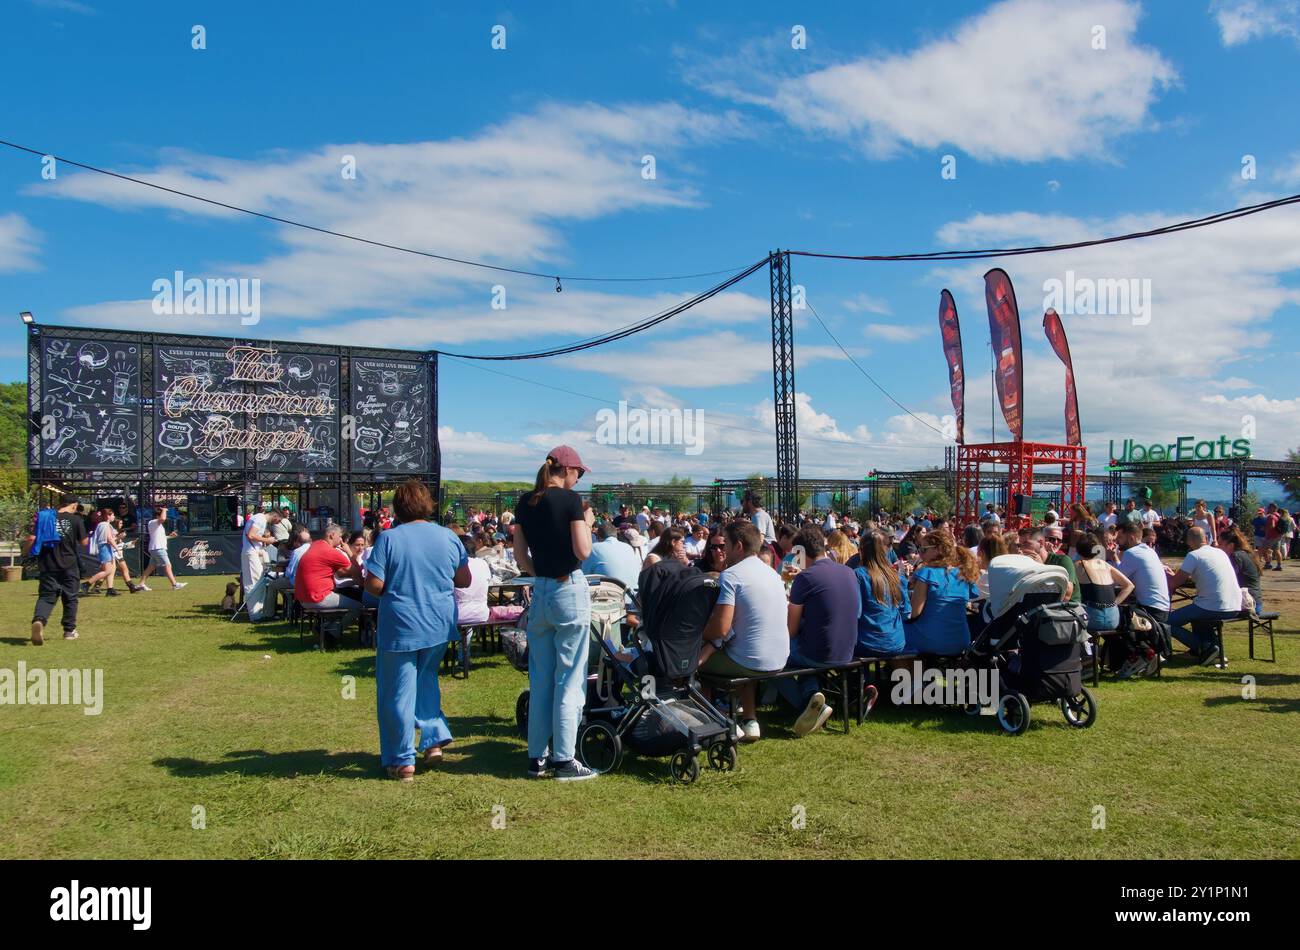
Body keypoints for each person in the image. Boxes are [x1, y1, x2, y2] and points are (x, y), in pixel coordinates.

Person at [364, 480, 470, 782]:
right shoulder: (449, 537)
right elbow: (463, 579)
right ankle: (433, 740)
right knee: (426, 682)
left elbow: (374, 585)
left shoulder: (389, 539)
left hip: (401, 623)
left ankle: (401, 760)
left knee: (396, 692)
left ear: (398, 507)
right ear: (428, 504)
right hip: (438, 622)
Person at [514, 446, 598, 781]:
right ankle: (565, 759)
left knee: (541, 677)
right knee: (569, 677)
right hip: (568, 589)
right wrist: (587, 523)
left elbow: (521, 555)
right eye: (579, 472)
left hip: (542, 590)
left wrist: (541, 574)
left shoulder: (526, 501)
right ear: (567, 469)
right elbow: (583, 550)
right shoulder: (571, 501)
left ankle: (537, 758)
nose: (579, 478)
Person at [699, 520, 790, 742]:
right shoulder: (773, 574)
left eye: (726, 545)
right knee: (743, 652)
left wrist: (698, 634)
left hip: (751, 660)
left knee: (696, 666)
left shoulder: (731, 576)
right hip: (779, 658)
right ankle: (750, 721)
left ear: (738, 546)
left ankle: (717, 723)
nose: (724, 551)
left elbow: (720, 628)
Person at [777, 527, 858, 736]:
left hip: (819, 653)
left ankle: (807, 706)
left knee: (770, 660)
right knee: (805, 651)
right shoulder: (848, 572)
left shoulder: (805, 579)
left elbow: (791, 630)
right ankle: (813, 694)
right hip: (848, 651)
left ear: (801, 553)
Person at [1166, 526, 1242, 665]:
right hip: (1235, 604)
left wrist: (1166, 574)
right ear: (1205, 539)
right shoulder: (1220, 553)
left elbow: (1174, 583)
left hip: (1212, 606)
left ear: (1189, 541)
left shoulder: (1193, 555)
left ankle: (1204, 647)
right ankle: (1208, 648)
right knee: (1198, 612)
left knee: (1166, 622)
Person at [905, 530, 980, 655]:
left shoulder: (927, 573)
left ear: (938, 550)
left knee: (896, 636)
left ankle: (912, 673)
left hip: (933, 640)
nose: (920, 554)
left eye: (924, 550)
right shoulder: (964, 574)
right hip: (961, 640)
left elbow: (913, 614)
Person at [27, 494, 87, 643]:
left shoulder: (45, 517)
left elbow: (32, 538)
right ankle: (69, 631)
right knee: (70, 597)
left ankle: (39, 620)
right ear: (73, 505)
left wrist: (26, 552)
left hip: (48, 564)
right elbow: (84, 542)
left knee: (47, 597)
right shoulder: (76, 519)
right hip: (69, 564)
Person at [294, 524, 364, 632]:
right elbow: (357, 572)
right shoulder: (330, 551)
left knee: (342, 596)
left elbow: (340, 573)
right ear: (331, 535)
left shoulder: (315, 545)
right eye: (340, 536)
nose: (342, 540)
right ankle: (332, 632)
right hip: (317, 598)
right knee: (359, 607)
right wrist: (349, 552)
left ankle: (325, 628)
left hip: (303, 598)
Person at [854, 530, 910, 657]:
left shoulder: (858, 575)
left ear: (862, 550)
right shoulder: (896, 576)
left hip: (867, 643)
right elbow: (906, 612)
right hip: (896, 641)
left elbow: (855, 614)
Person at [1074, 536, 1134, 633]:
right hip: (1114, 618)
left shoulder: (1079, 565)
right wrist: (1114, 604)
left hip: (1092, 618)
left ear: (1078, 550)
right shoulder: (1105, 564)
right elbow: (1129, 585)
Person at [582, 521, 643, 593]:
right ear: (616, 535)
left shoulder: (593, 548)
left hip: (613, 600)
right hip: (634, 598)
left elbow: (584, 577)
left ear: (598, 537)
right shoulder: (628, 547)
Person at [137, 508, 187, 591]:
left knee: (150, 567)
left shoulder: (157, 525)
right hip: (158, 548)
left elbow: (160, 537)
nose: (165, 517)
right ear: (157, 516)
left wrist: (170, 536)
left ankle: (141, 584)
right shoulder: (153, 522)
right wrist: (164, 510)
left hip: (156, 548)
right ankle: (175, 584)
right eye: (162, 514)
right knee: (167, 566)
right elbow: (163, 518)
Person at [1218, 527, 1263, 614]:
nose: (1217, 547)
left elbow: (1227, 580)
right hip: (1255, 602)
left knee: (1205, 611)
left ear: (1230, 545)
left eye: (1220, 544)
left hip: (1247, 604)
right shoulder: (1247, 553)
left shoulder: (1235, 556)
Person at [239, 506, 280, 599]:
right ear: (275, 516)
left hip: (251, 552)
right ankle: (256, 612)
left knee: (255, 581)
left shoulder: (259, 518)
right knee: (256, 582)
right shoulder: (260, 519)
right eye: (279, 520)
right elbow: (251, 535)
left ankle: (258, 610)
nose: (277, 523)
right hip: (251, 553)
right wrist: (267, 540)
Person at [1040, 526, 1079, 602]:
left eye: (1059, 540)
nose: (1056, 542)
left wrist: (1053, 555)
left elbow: (1067, 592)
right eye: (1052, 539)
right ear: (1042, 540)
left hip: (1067, 606)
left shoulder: (1063, 558)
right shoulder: (1038, 556)